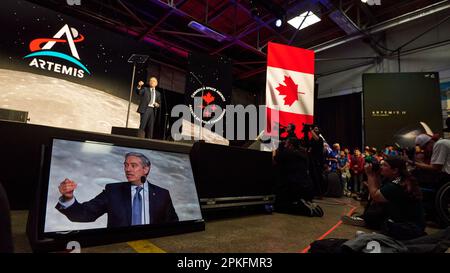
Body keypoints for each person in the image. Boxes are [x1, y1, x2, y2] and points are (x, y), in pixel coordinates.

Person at [56, 152, 178, 228]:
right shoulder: (113, 191)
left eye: (133, 165)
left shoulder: (162, 194)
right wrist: (68, 198)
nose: (128, 169)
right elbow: (85, 214)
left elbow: (172, 227)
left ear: (145, 169)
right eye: (126, 165)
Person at [343, 156, 426, 240]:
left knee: (388, 224)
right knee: (382, 214)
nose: (381, 167)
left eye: (385, 165)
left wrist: (370, 175)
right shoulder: (399, 179)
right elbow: (381, 191)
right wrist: (376, 175)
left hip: (410, 228)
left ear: (395, 170)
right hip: (409, 224)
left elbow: (376, 196)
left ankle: (374, 237)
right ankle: (369, 224)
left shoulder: (397, 184)